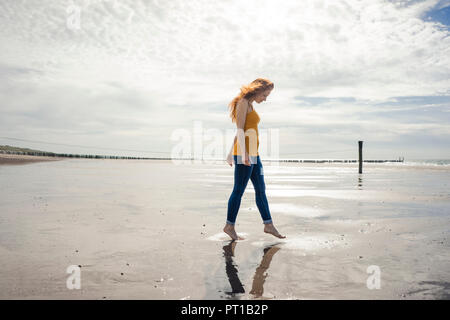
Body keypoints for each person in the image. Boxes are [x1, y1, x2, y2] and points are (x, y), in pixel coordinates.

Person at [223, 78, 286, 240]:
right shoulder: (243, 102)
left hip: (254, 154)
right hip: (246, 155)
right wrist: (242, 154)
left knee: (261, 189)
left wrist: (230, 153)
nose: (265, 99)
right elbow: (239, 129)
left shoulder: (250, 104)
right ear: (258, 90)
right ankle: (229, 226)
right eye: (265, 95)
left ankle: (268, 225)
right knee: (238, 190)